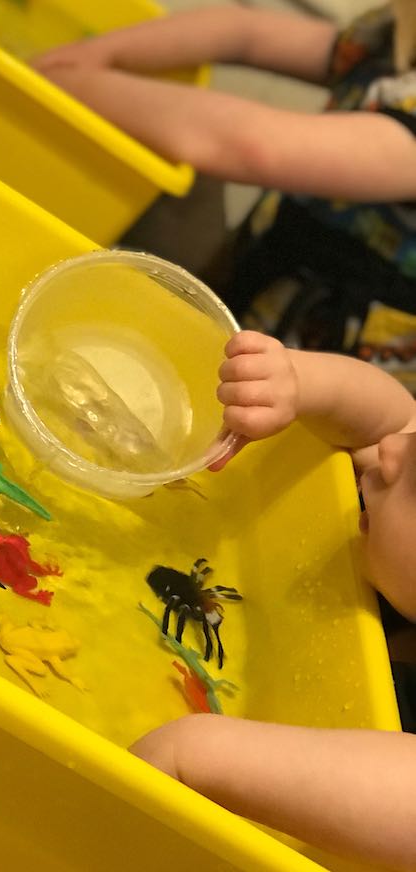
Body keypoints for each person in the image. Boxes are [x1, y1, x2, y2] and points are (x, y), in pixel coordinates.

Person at [129, 330, 416, 871]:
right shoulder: (400, 457)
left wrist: (198, 752)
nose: (395, 452)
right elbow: (394, 421)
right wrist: (300, 381)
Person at [33, 3, 416, 387]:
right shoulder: (392, 37)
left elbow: (253, 147)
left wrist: (73, 83)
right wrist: (100, 53)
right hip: (270, 274)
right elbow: (244, 33)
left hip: (335, 368)